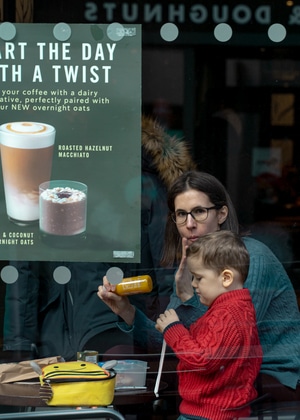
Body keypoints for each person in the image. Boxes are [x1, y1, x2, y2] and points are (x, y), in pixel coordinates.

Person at [2, 115, 196, 361]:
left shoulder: (140, 183)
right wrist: (18, 345)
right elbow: (23, 270)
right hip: (53, 334)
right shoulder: (44, 180)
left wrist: (164, 341)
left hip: (118, 331)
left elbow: (168, 268)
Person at [98, 170, 300, 401]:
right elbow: (171, 343)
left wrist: (187, 299)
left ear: (222, 213)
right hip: (217, 371)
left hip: (270, 376)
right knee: (124, 370)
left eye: (199, 212)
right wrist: (127, 311)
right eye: (181, 215)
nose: (189, 224)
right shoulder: (195, 263)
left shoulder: (248, 257)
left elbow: (221, 348)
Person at [155, 230, 263, 420]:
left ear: (226, 278)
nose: (194, 284)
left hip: (210, 413)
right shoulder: (232, 309)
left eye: (199, 277)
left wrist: (174, 329)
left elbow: (203, 359)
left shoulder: (228, 314)